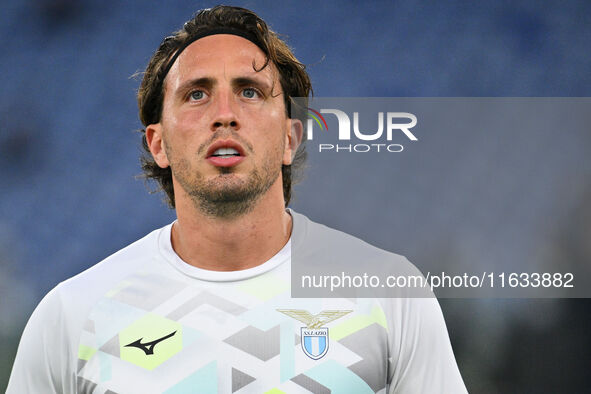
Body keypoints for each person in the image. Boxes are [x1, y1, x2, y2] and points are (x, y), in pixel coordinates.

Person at [7, 6, 467, 393]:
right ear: (158, 143)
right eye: (196, 94)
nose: (224, 115)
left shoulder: (389, 294)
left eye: (249, 92)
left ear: (290, 137)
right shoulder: (73, 316)